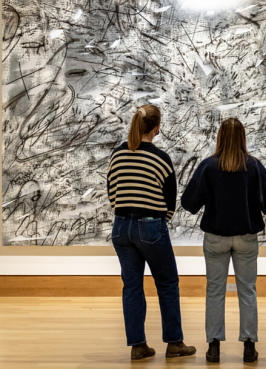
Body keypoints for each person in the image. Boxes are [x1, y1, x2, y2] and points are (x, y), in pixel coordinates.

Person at [181, 117, 266, 363]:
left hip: (215, 238)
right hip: (247, 237)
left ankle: (213, 347)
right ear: (243, 138)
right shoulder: (254, 166)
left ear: (220, 137)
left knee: (215, 291)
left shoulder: (208, 166)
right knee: (247, 291)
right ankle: (249, 347)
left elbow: (188, 203)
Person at [107, 104, 196, 360]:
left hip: (121, 226)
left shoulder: (117, 154)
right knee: (167, 283)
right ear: (157, 128)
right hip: (150, 225)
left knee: (132, 286)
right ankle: (174, 343)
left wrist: (125, 213)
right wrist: (159, 221)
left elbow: (112, 191)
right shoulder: (160, 158)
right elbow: (170, 199)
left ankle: (138, 346)